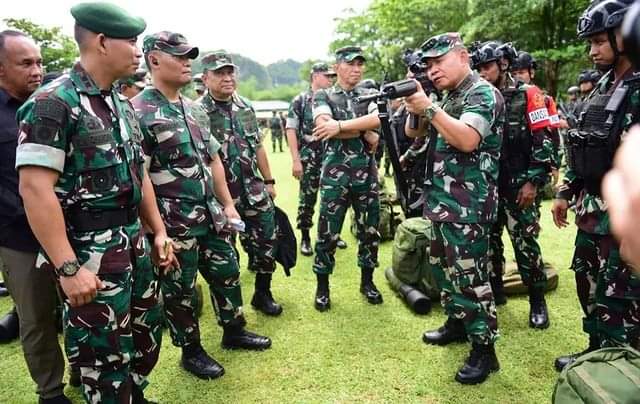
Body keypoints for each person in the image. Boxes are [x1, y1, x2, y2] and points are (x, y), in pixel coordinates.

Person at [15, 3, 178, 403]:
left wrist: (157, 231)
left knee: (144, 335)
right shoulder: (54, 102)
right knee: (100, 354)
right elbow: (35, 189)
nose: (139, 51)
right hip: (88, 251)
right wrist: (68, 267)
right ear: (102, 42)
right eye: (132, 41)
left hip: (133, 242)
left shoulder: (121, 103)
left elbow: (138, 173)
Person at [134, 31, 272, 380]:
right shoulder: (139, 111)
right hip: (175, 220)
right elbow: (141, 175)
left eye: (188, 56)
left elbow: (213, 160)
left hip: (211, 214)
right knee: (180, 289)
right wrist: (157, 231)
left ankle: (233, 330)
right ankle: (191, 350)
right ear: (154, 60)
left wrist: (228, 205)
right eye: (179, 56)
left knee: (227, 272)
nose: (187, 62)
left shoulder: (192, 109)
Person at [404, 33, 504, 385]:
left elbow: (466, 139)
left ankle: (484, 350)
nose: (433, 71)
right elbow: (412, 134)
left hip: (469, 205)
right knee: (445, 272)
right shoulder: (448, 95)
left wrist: (430, 108)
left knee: (472, 279)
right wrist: (416, 106)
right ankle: (457, 324)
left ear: (463, 57)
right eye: (428, 65)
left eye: (439, 62)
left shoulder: (482, 93)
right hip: (442, 202)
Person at [552, 0, 640, 371]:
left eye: (600, 41)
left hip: (624, 214)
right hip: (591, 210)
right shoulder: (602, 85)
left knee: (622, 295)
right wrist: (564, 191)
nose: (592, 51)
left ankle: (624, 364)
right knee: (588, 283)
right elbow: (584, 140)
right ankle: (595, 352)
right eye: (590, 43)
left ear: (624, 37)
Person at [0, 29, 70, 404]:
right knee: (37, 320)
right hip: (19, 239)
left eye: (40, 62)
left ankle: (85, 373)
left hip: (67, 232)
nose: (37, 70)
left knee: (78, 309)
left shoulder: (52, 106)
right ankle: (51, 391)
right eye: (26, 63)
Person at [473, 41, 553, 328]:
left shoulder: (530, 94)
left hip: (520, 186)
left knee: (526, 245)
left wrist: (533, 182)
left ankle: (537, 300)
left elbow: (544, 142)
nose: (482, 73)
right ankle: (496, 292)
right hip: (488, 185)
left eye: (487, 67)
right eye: (478, 68)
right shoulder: (479, 97)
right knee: (490, 245)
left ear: (503, 64)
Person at [197, 51, 282, 316]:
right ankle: (230, 309)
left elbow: (257, 146)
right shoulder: (197, 112)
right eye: (220, 73)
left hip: (254, 191)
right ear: (205, 78)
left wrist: (268, 182)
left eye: (230, 72)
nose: (227, 78)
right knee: (226, 254)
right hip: (222, 197)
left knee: (266, 244)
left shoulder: (245, 106)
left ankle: (262, 293)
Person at [310, 46, 383, 312]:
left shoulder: (369, 93)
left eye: (360, 64)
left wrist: (340, 126)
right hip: (335, 176)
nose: (357, 69)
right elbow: (322, 126)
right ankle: (322, 287)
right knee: (327, 233)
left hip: (366, 175)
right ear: (338, 66)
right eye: (351, 64)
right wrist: (364, 131)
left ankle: (367, 283)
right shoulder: (323, 94)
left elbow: (378, 119)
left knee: (369, 231)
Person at [285, 62, 335, 256]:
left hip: (332, 158)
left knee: (332, 199)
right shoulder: (301, 100)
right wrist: (296, 160)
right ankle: (305, 237)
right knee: (307, 199)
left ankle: (331, 236)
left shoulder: (332, 98)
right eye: (327, 76)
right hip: (309, 159)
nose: (331, 80)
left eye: (332, 76)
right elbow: (291, 130)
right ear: (315, 76)